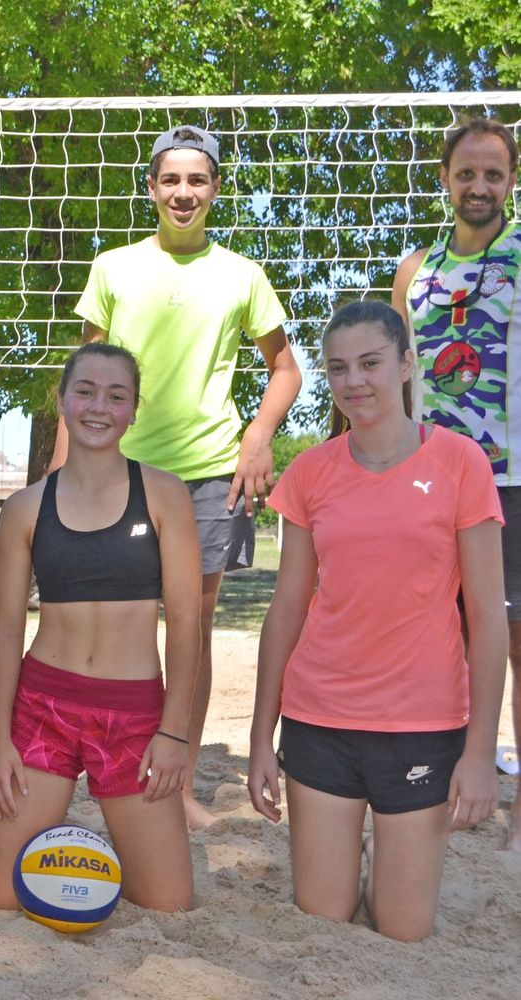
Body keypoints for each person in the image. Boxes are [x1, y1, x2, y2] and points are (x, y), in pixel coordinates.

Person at [59, 125, 303, 828]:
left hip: (207, 474)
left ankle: (179, 781)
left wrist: (258, 439)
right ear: (152, 189)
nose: (184, 192)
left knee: (189, 628)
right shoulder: (112, 267)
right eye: (172, 180)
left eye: (197, 180)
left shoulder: (243, 276)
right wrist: (57, 477)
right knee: (115, 620)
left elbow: (286, 368)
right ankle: (107, 760)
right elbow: (85, 382)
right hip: (120, 473)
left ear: (216, 188)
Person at [248, 300, 505, 941]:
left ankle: (384, 866)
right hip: (319, 721)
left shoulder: (461, 463)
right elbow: (285, 611)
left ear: (408, 364)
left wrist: (480, 755)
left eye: (370, 362)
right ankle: (344, 859)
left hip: (422, 726)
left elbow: (488, 621)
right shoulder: (312, 471)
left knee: (402, 930)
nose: (354, 381)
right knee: (325, 920)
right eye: (338, 368)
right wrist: (260, 736)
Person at [0, 341, 201, 913]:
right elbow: (4, 631)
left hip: (133, 716)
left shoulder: (164, 494)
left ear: (132, 410)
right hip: (43, 709)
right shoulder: (25, 508)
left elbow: (185, 623)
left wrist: (175, 734)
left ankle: (116, 850)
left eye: (116, 395)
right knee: (2, 896)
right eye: (85, 391)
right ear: (62, 401)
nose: (98, 406)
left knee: (168, 904)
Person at [392, 117, 521, 851]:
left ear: (510, 182)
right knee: (441, 639)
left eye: (493, 175)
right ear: (445, 180)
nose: (479, 187)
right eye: (466, 174)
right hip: (433, 483)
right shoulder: (417, 270)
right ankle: (438, 792)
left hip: (512, 482)